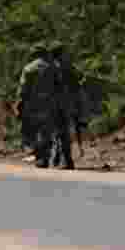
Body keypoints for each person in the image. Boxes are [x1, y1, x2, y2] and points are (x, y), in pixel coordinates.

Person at [17, 43, 59, 168]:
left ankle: (40, 156)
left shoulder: (29, 68)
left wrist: (19, 104)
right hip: (49, 105)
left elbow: (23, 89)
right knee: (46, 132)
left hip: (33, 106)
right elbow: (59, 87)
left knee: (33, 131)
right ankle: (44, 156)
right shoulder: (53, 67)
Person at [50, 42, 83, 170]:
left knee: (60, 133)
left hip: (57, 104)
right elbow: (78, 81)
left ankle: (64, 160)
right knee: (62, 133)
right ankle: (61, 160)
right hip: (67, 103)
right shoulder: (68, 66)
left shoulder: (51, 67)